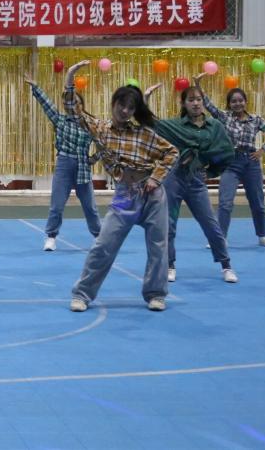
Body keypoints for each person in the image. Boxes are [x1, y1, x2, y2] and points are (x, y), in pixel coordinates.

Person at [65, 61, 179, 313]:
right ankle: (82, 294)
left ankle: (156, 294)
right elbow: (74, 110)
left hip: (152, 195)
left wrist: (156, 178)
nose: (125, 111)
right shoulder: (101, 129)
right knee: (103, 245)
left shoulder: (143, 134)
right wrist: (71, 76)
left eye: (131, 108)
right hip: (125, 195)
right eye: (122, 105)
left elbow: (172, 152)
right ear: (113, 103)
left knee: (158, 246)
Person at [145, 83, 238, 284]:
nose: (196, 103)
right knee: (168, 224)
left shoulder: (215, 127)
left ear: (203, 102)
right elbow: (152, 123)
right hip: (174, 179)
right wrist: (146, 98)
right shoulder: (176, 126)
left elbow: (226, 152)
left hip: (196, 181)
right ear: (184, 104)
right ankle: (170, 265)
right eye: (191, 100)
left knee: (210, 224)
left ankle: (226, 265)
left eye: (199, 99)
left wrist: (209, 171)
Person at [194, 73, 265, 248]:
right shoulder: (225, 117)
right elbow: (209, 105)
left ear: (245, 101)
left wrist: (262, 150)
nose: (237, 103)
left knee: (257, 203)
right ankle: (220, 238)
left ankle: (262, 236)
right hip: (231, 163)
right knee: (225, 203)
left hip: (251, 163)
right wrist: (197, 85)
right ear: (229, 104)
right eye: (233, 101)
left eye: (240, 100)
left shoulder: (256, 120)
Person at [24, 74, 102, 251]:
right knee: (57, 205)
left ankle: (99, 237)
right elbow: (46, 104)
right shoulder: (60, 120)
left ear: (82, 105)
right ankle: (51, 237)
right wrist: (36, 87)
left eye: (78, 103)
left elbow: (103, 146)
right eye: (72, 103)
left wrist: (92, 159)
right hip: (64, 164)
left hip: (83, 167)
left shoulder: (91, 125)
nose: (76, 106)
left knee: (90, 206)